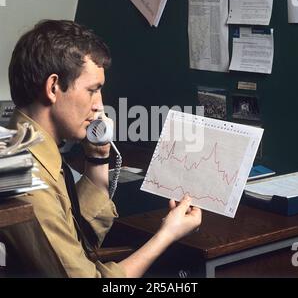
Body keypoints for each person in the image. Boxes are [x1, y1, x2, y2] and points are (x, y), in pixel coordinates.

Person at [6, 20, 202, 278]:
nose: (100, 105)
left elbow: (77, 238)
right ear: (53, 87)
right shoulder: (21, 175)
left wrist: (98, 157)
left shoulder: (27, 150)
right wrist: (166, 236)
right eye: (92, 90)